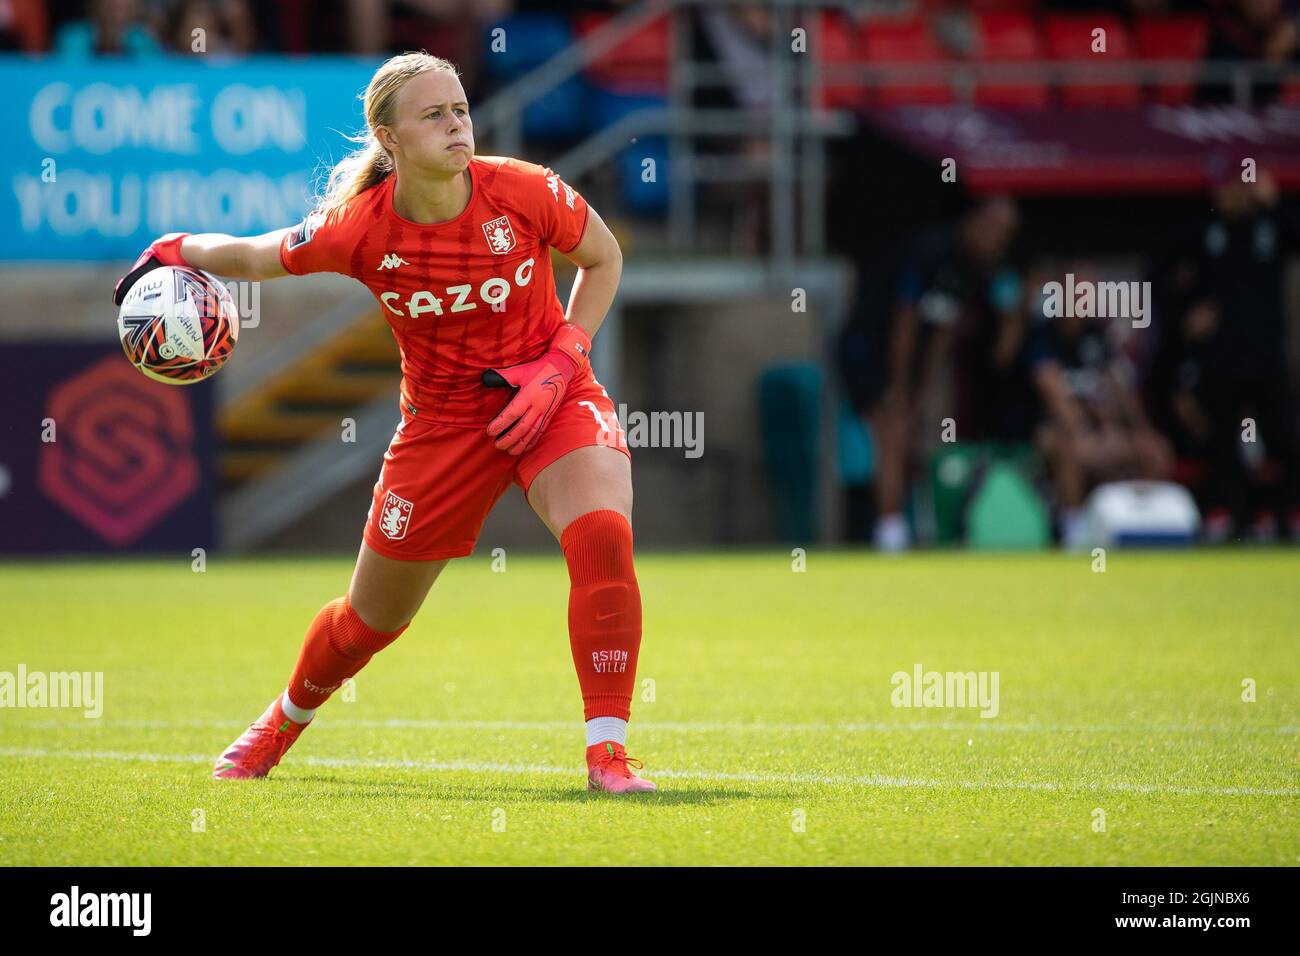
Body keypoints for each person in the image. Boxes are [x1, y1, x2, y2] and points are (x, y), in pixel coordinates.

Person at [111, 51, 656, 794]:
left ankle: (609, 756)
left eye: (460, 109)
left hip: (551, 393)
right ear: (389, 140)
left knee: (602, 532)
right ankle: (280, 723)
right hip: (441, 427)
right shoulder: (358, 229)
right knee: (370, 621)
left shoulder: (524, 190)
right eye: (433, 115)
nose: (456, 124)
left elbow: (604, 257)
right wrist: (171, 250)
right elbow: (253, 255)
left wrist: (562, 361)